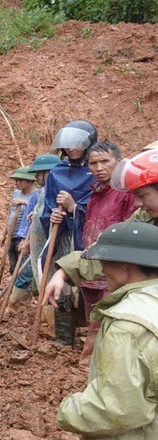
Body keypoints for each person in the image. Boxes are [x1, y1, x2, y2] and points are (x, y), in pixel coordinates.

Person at [48, 221, 158, 440]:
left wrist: (70, 410)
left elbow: (118, 408)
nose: (102, 270)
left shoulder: (129, 323)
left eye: (105, 262)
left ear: (124, 264)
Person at [44, 147, 158, 299]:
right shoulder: (144, 217)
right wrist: (64, 271)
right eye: (93, 163)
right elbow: (114, 247)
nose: (137, 203)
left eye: (142, 196)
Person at [76, 141, 138, 354]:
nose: (98, 167)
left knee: (105, 321)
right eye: (93, 163)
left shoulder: (126, 193)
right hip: (92, 265)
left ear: (118, 162)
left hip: (114, 269)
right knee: (91, 317)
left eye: (105, 161)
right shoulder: (96, 192)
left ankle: (90, 361)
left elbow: (131, 229)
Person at [41, 120, 99, 346]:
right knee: (63, 285)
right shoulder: (56, 172)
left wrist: (76, 207)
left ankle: (93, 339)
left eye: (77, 143)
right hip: (64, 236)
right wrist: (53, 216)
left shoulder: (95, 170)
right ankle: (64, 338)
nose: (72, 148)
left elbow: (99, 205)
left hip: (90, 236)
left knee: (93, 282)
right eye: (68, 144)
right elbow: (48, 206)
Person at [10, 154, 60, 306]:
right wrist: (26, 240)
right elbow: (33, 221)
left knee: (46, 275)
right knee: (37, 273)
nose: (37, 177)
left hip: (54, 243)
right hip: (39, 243)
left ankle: (46, 310)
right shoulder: (40, 194)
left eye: (39, 174)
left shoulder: (56, 192)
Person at [0, 167, 37, 272]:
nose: (17, 182)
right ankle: (13, 287)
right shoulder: (15, 193)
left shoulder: (36, 196)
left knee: (23, 269)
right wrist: (3, 233)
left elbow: (38, 212)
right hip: (12, 236)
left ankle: (21, 288)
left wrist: (24, 202)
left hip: (24, 238)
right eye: (16, 180)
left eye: (20, 180)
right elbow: (10, 213)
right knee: (13, 267)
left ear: (29, 181)